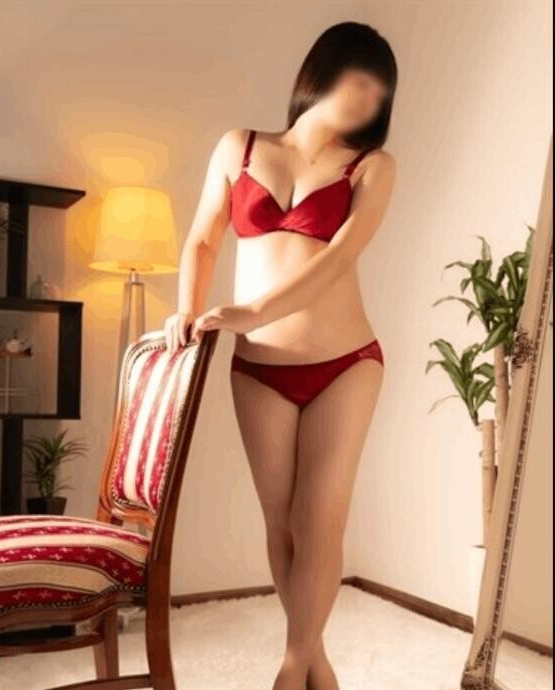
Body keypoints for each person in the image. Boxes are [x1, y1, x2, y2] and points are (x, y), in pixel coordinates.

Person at [164, 21, 398, 690]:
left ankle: (291, 668)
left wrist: (252, 312)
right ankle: (316, 664)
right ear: (321, 73)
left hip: (346, 363)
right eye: (361, 82)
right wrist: (188, 307)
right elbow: (203, 239)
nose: (369, 101)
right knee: (281, 524)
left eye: (380, 94)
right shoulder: (238, 147)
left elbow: (339, 259)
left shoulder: (373, 166)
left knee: (320, 515)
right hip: (259, 370)